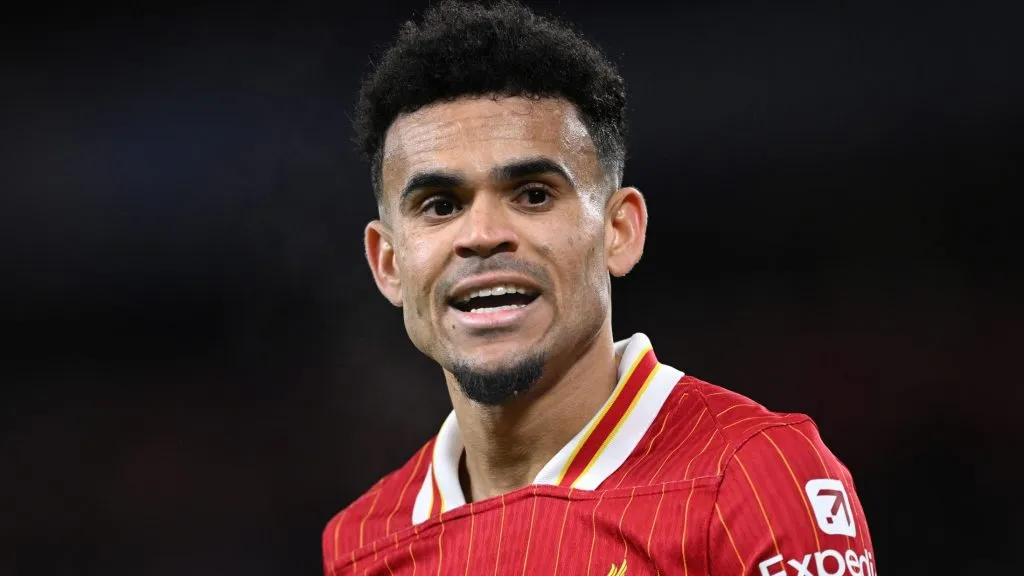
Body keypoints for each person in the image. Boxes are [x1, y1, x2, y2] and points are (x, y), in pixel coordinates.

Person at [323, 1, 877, 574]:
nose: (483, 235)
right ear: (388, 263)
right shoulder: (361, 545)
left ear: (620, 230)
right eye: (440, 206)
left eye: (533, 195)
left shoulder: (755, 476)